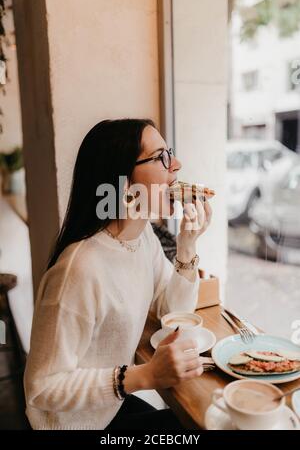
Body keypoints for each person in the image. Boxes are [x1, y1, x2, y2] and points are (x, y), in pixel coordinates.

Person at [24, 119, 212, 430]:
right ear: (124, 184)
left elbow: (174, 312)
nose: (176, 165)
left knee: (200, 421)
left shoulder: (142, 239)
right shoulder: (80, 270)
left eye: (171, 153)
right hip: (74, 424)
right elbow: (41, 388)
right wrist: (145, 375)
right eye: (161, 157)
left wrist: (187, 245)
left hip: (107, 408)